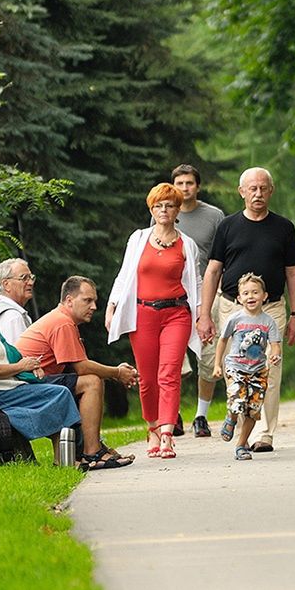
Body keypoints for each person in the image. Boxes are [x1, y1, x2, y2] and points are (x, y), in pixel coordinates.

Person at [197, 167, 295, 453]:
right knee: (237, 370)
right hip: (233, 308)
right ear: (241, 191)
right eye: (252, 189)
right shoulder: (228, 226)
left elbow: (293, 272)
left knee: (269, 370)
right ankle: (240, 419)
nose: (258, 194)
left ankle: (265, 434)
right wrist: (205, 314)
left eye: (263, 188)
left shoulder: (284, 227)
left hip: (272, 310)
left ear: (271, 191)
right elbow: (213, 270)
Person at [104, 183, 202, 459]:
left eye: (169, 205)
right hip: (143, 313)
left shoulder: (187, 244)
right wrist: (112, 307)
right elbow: (124, 276)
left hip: (176, 314)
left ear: (177, 209)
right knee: (147, 378)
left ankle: (168, 434)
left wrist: (202, 316)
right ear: (151, 209)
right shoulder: (138, 239)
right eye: (158, 205)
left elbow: (194, 282)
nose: (164, 210)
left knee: (169, 374)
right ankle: (153, 427)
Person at [0, 270, 80, 453]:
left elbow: (4, 357)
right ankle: (68, 456)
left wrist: (29, 366)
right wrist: (21, 367)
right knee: (60, 394)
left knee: (58, 393)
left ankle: (65, 457)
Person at [17, 276, 140, 470]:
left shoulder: (63, 320)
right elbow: (82, 368)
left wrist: (115, 372)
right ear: (69, 300)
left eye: (95, 301)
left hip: (31, 382)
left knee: (92, 380)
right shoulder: (62, 323)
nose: (93, 307)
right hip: (25, 387)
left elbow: (77, 367)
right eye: (87, 300)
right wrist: (117, 372)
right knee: (91, 382)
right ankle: (93, 453)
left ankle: (94, 447)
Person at [167, 163, 227, 436]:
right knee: (174, 356)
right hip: (174, 293)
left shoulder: (214, 216)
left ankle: (201, 416)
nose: (184, 188)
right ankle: (173, 414)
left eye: (189, 183)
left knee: (208, 355)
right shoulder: (165, 214)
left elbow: (223, 257)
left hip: (209, 293)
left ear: (197, 186)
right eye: (179, 184)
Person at [211, 273, 282, 460]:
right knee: (238, 403)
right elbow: (222, 340)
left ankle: (241, 445)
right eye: (246, 293)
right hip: (236, 368)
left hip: (258, 371)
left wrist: (275, 355)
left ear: (264, 296)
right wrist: (217, 364)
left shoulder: (269, 322)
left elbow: (275, 344)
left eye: (255, 292)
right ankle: (231, 418)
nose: (251, 296)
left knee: (253, 410)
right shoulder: (235, 319)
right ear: (239, 298)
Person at [0, 258, 36, 344]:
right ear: (6, 284)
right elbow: (18, 354)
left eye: (31, 277)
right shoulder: (12, 316)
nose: (30, 282)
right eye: (24, 278)